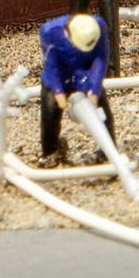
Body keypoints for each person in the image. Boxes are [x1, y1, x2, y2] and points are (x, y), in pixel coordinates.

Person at [37, 11, 114, 164]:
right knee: (50, 111)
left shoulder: (99, 27)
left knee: (103, 113)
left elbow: (100, 59)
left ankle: (108, 150)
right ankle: (51, 152)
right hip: (60, 76)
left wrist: (94, 90)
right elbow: (52, 65)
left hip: (85, 75)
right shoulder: (50, 32)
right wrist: (58, 92)